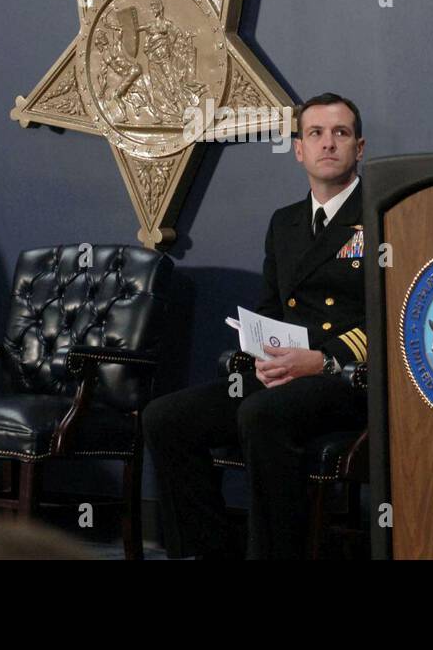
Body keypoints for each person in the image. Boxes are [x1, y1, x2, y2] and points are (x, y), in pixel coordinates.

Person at [144, 93, 369, 559]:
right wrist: (260, 357)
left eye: (341, 133)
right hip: (283, 373)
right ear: (299, 149)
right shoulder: (284, 222)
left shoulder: (382, 216)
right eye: (316, 133)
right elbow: (270, 311)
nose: (329, 143)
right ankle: (207, 551)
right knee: (165, 418)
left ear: (359, 148)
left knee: (260, 414)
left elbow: (392, 314)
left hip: (346, 380)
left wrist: (324, 359)